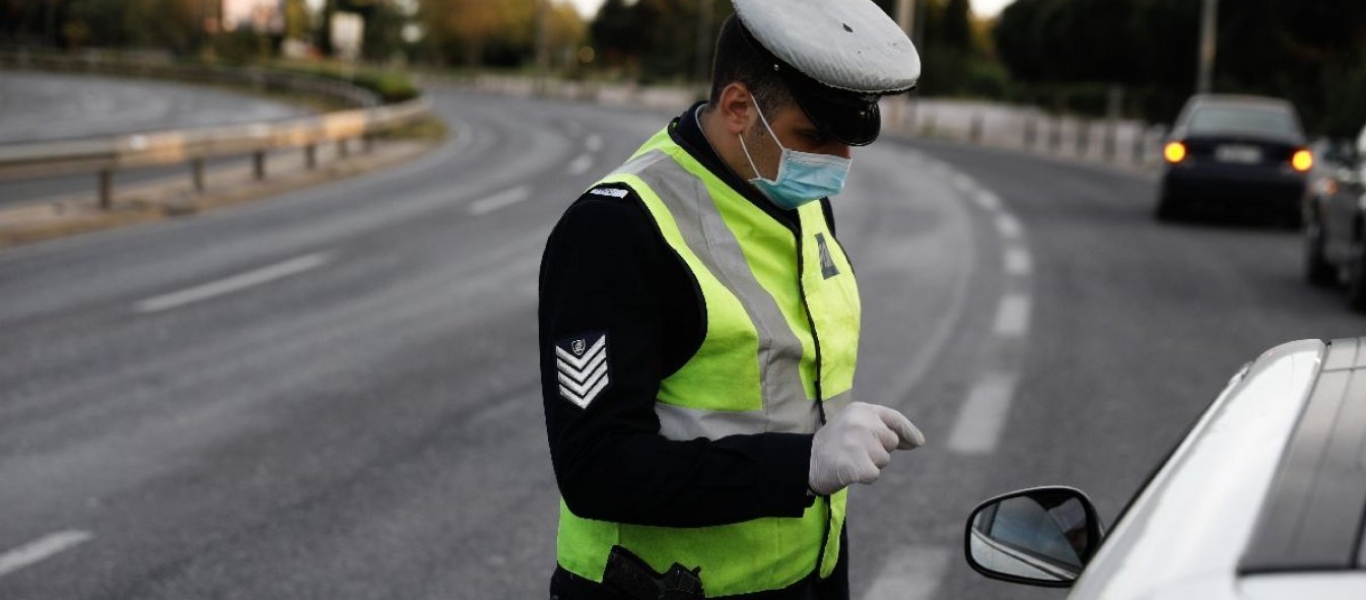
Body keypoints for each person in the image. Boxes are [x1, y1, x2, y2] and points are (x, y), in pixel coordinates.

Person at [538, 1, 924, 597]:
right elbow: (596, 468)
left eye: (848, 141)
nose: (838, 161)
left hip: (803, 578)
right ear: (739, 107)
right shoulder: (617, 228)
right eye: (815, 136)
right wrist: (803, 463)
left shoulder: (797, 200)